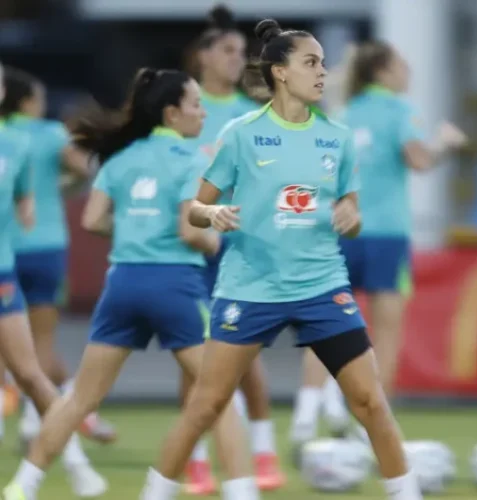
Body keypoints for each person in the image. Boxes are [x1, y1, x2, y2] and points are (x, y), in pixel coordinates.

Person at [133, 19, 425, 500]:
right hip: (250, 289)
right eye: (311, 62)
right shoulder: (241, 134)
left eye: (324, 64)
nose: (322, 72)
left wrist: (349, 215)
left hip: (321, 287)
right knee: (205, 406)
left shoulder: (338, 137)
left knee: (370, 401)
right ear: (280, 73)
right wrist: (215, 212)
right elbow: (197, 209)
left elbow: (351, 211)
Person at [3, 67, 255, 500]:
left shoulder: (120, 158)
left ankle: (22, 485)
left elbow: (92, 219)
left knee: (80, 399)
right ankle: (243, 492)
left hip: (121, 284)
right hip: (175, 285)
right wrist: (218, 245)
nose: (202, 115)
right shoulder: (194, 160)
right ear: (172, 114)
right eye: (196, 106)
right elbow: (191, 232)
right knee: (219, 398)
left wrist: (138, 231)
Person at [290, 41, 469, 445]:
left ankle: (306, 413)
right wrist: (446, 142)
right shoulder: (401, 111)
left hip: (342, 230)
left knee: (325, 321)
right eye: (402, 64)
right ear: (384, 72)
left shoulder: (344, 112)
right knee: (386, 331)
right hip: (386, 234)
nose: (408, 71)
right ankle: (369, 426)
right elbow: (419, 160)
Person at [183, 5, 284, 494]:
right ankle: (196, 460)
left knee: (247, 356)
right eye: (227, 51)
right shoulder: (184, 106)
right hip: (191, 247)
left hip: (239, 247)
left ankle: (264, 453)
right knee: (195, 355)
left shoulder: (251, 112)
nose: (235, 60)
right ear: (203, 56)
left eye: (241, 53)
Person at [0, 61, 107, 500]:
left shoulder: (14, 143)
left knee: (29, 371)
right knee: (35, 363)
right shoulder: (34, 139)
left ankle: (77, 465)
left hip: (5, 269)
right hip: (39, 255)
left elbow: (23, 202)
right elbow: (66, 179)